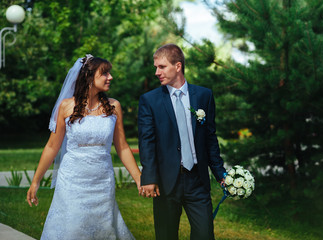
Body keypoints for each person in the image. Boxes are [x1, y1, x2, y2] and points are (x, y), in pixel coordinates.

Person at [27, 55, 140, 240]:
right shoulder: (65, 107)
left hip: (103, 182)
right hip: (72, 182)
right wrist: (36, 181)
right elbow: (51, 146)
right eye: (105, 73)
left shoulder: (114, 106)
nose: (110, 77)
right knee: (73, 229)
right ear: (89, 76)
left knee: (103, 230)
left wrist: (138, 178)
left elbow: (123, 148)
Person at [138, 43, 226, 240]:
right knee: (166, 235)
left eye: (161, 67)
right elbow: (147, 142)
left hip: (197, 180)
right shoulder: (149, 100)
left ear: (178, 66)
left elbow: (210, 138)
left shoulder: (204, 95)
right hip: (166, 181)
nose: (156, 72)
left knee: (205, 234)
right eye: (155, 67)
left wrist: (221, 173)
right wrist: (150, 178)